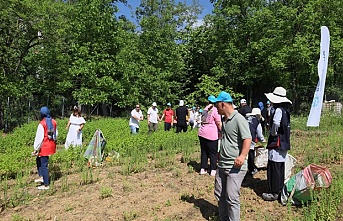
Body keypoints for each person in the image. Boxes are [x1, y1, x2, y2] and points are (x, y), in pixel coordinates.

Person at [213, 91, 252, 221]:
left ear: (223, 104)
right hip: (222, 164)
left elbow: (247, 138)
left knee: (231, 197)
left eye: (216, 104)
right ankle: (223, 218)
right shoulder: (224, 120)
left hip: (235, 166)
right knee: (219, 194)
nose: (215, 108)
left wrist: (242, 156)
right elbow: (225, 139)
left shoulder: (238, 119)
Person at [262, 87, 291, 201]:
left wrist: (273, 133)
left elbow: (275, 123)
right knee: (280, 167)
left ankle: (274, 192)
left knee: (274, 167)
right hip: (284, 142)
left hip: (277, 143)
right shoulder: (285, 111)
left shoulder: (278, 110)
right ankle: (279, 190)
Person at [32, 106, 58, 190]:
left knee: (44, 164)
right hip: (51, 145)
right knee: (39, 160)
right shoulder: (53, 122)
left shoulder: (42, 124)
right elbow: (56, 134)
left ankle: (46, 184)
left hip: (44, 146)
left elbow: (39, 138)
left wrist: (36, 149)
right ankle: (42, 176)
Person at [198, 95, 222, 176]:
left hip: (202, 132)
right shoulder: (215, 110)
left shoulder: (204, 110)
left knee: (204, 151)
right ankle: (213, 169)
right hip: (211, 133)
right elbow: (218, 122)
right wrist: (222, 131)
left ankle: (203, 168)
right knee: (213, 152)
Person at [245, 108, 266, 176]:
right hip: (250, 139)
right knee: (251, 154)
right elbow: (259, 134)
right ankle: (251, 169)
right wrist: (263, 140)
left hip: (242, 138)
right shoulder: (256, 121)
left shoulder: (245, 118)